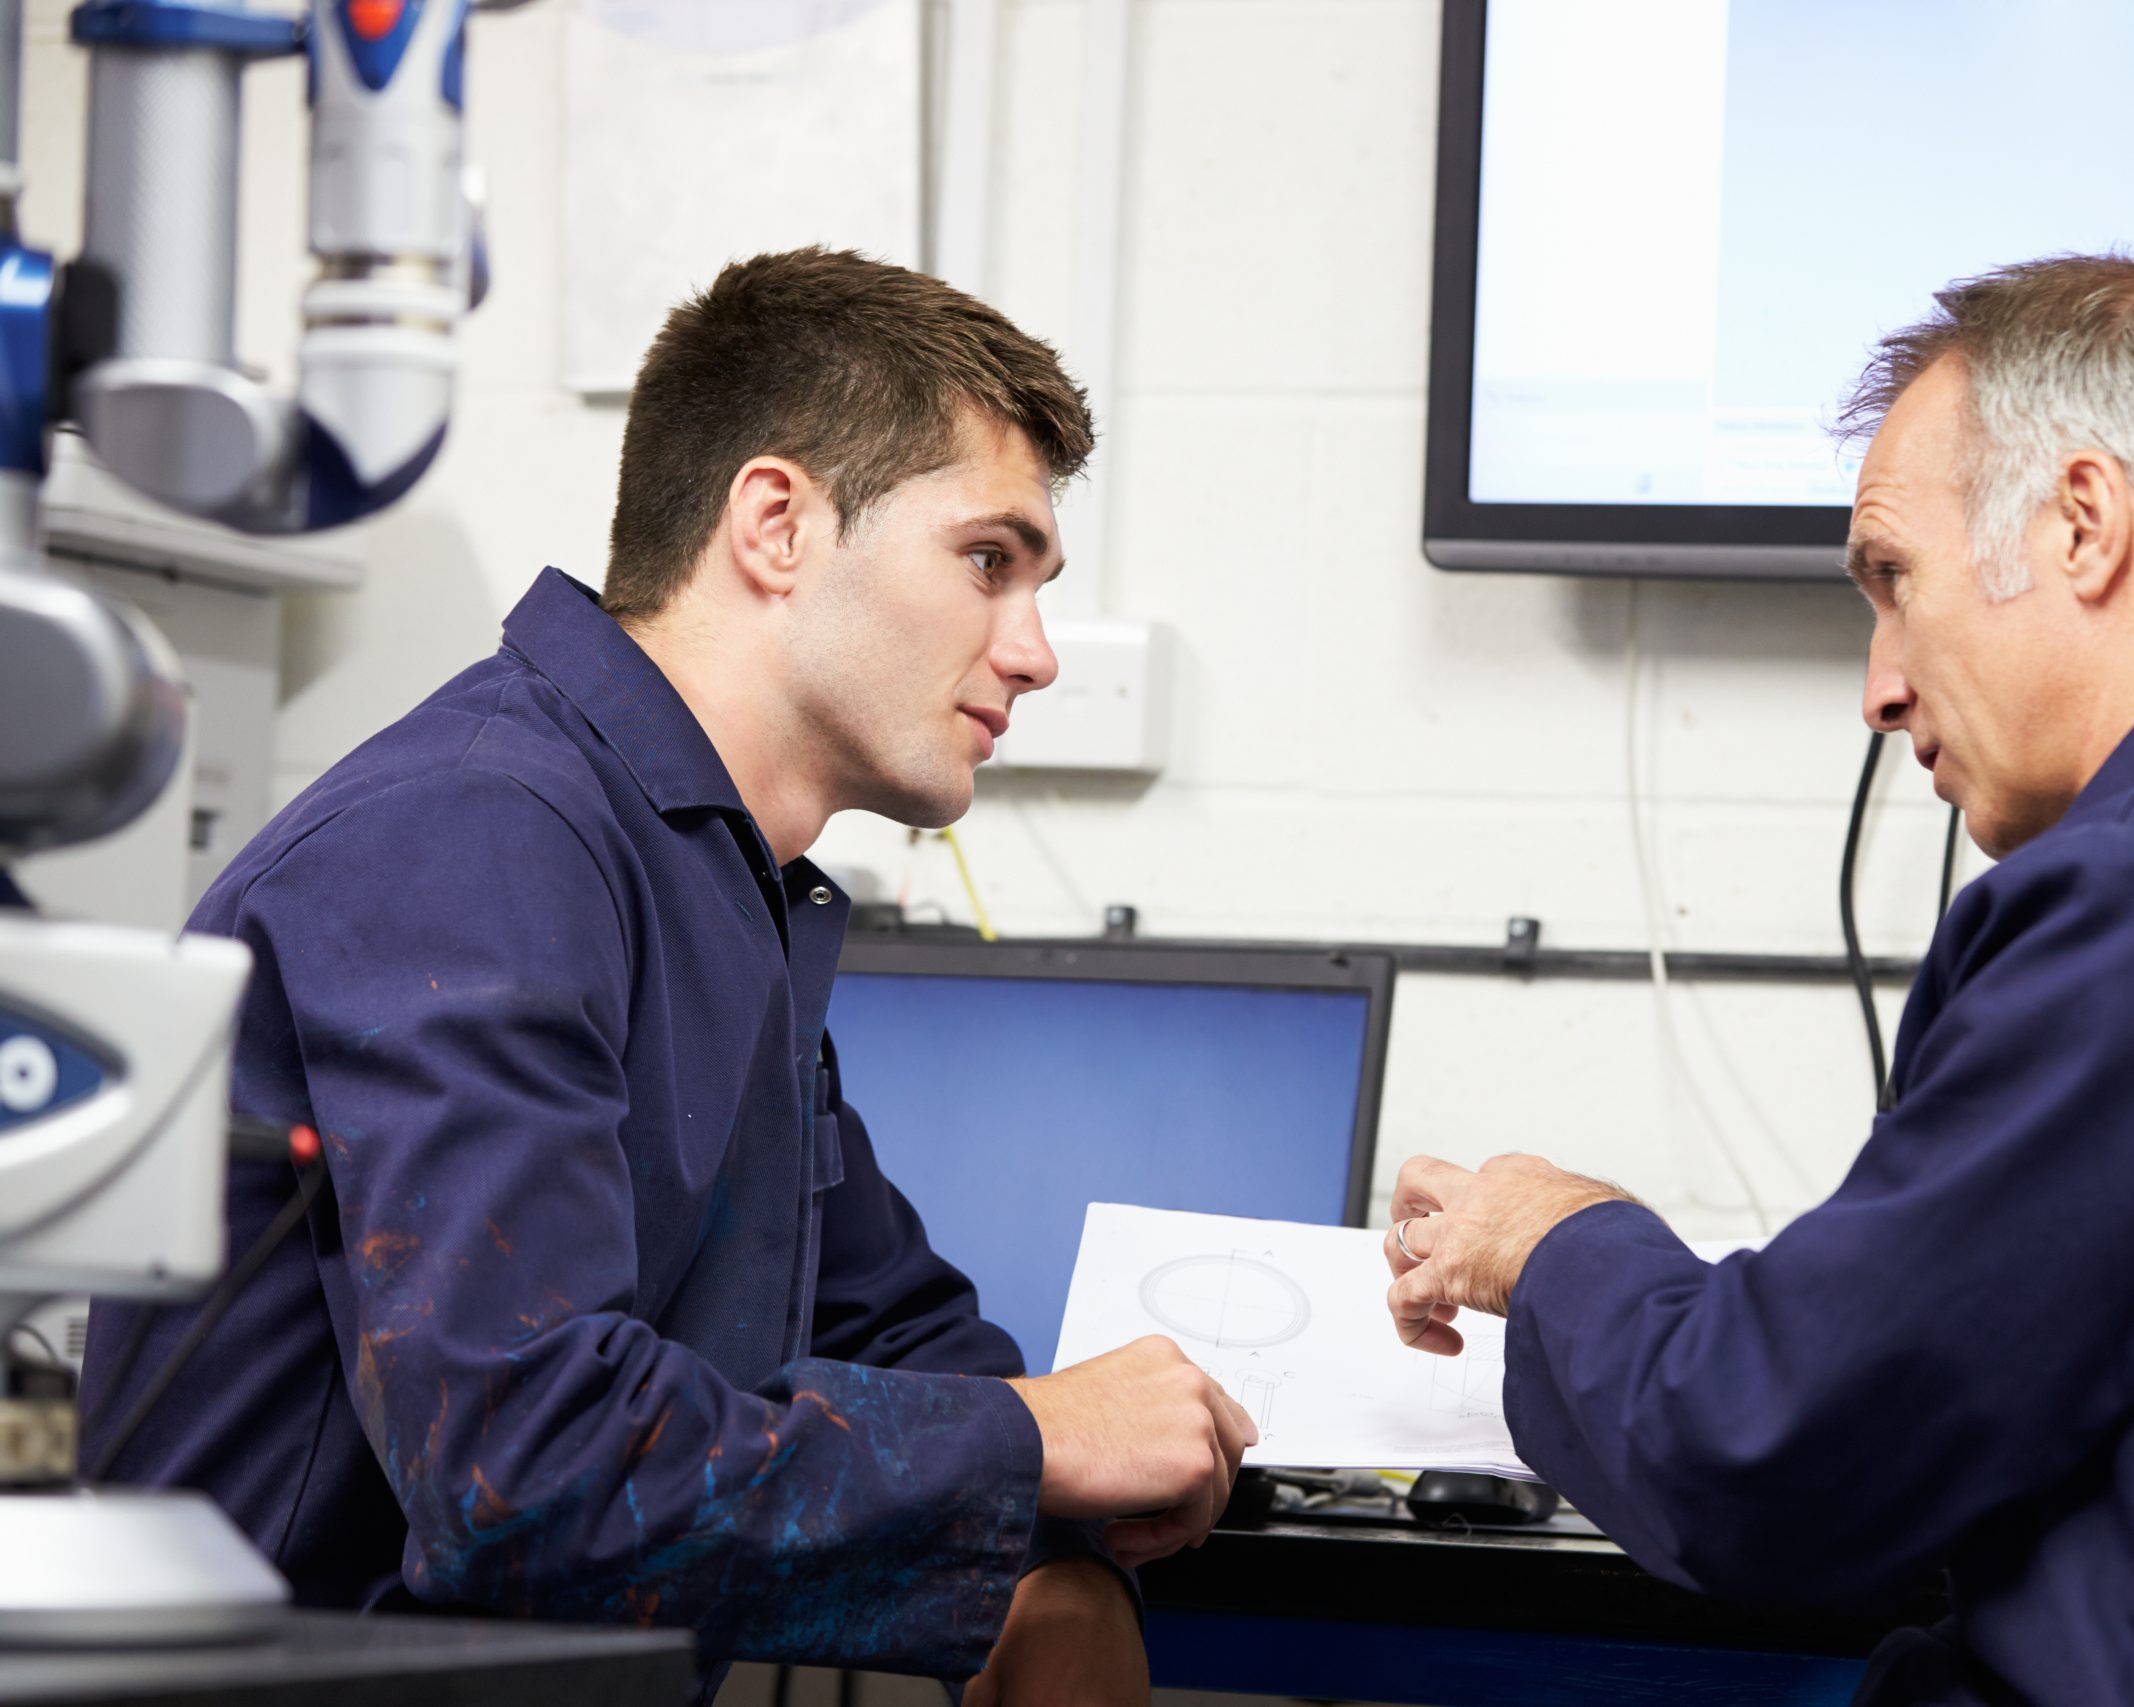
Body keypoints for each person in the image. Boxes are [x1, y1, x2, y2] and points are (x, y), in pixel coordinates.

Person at [1381, 253, 2134, 1705]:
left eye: (1895, 580)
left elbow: (1773, 1459)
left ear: (2083, 525)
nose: (1880, 687)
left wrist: (1550, 1239)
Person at [80, 247, 1255, 1701]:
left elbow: (886, 1321)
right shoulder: (476, 841)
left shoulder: (711, 878)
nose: (1034, 654)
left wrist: (1059, 1554)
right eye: (987, 562)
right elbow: (527, 1468)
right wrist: (1041, 1445)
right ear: (776, 524)